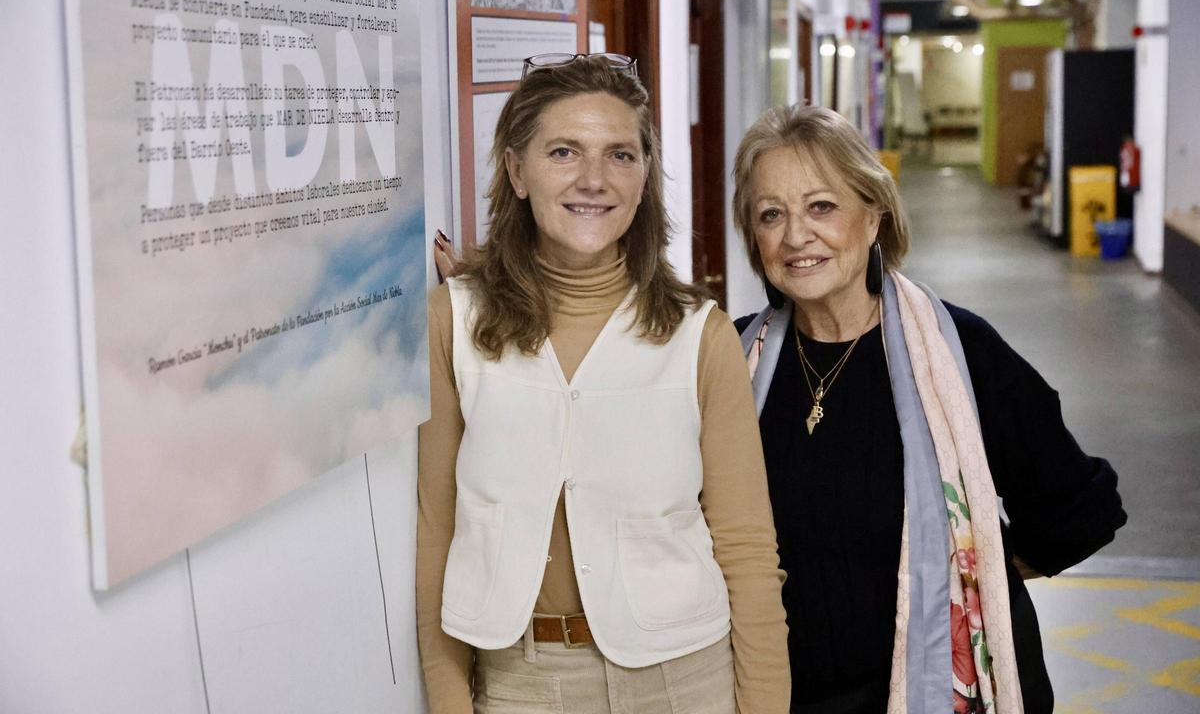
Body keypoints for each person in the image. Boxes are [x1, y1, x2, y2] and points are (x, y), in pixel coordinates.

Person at [417, 53, 791, 714]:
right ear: (517, 171)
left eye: (620, 155)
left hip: (686, 681)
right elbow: (435, 530)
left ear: (644, 177)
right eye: (564, 152)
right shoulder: (455, 321)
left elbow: (747, 548)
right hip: (525, 685)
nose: (593, 179)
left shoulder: (699, 336)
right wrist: (449, 700)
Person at [730, 104, 1126, 714]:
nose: (796, 236)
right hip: (782, 694)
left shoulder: (959, 353)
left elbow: (1082, 508)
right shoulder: (735, 361)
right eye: (771, 214)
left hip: (938, 691)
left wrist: (974, 570)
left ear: (873, 216)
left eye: (822, 206)